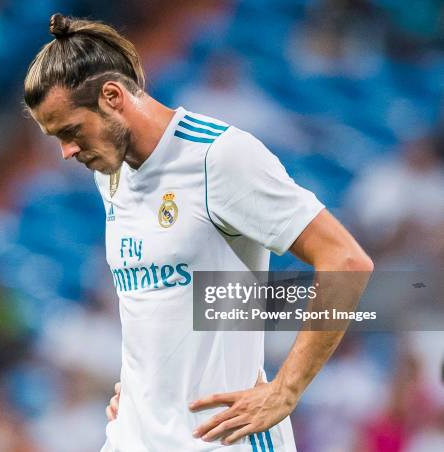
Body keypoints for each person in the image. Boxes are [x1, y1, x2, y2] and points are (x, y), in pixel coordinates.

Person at [23, 13, 373, 451]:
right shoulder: (110, 172)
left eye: (71, 132)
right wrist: (142, 388)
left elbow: (346, 261)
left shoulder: (218, 158)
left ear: (112, 97)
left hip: (218, 440)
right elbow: (159, 299)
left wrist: (286, 390)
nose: (66, 151)